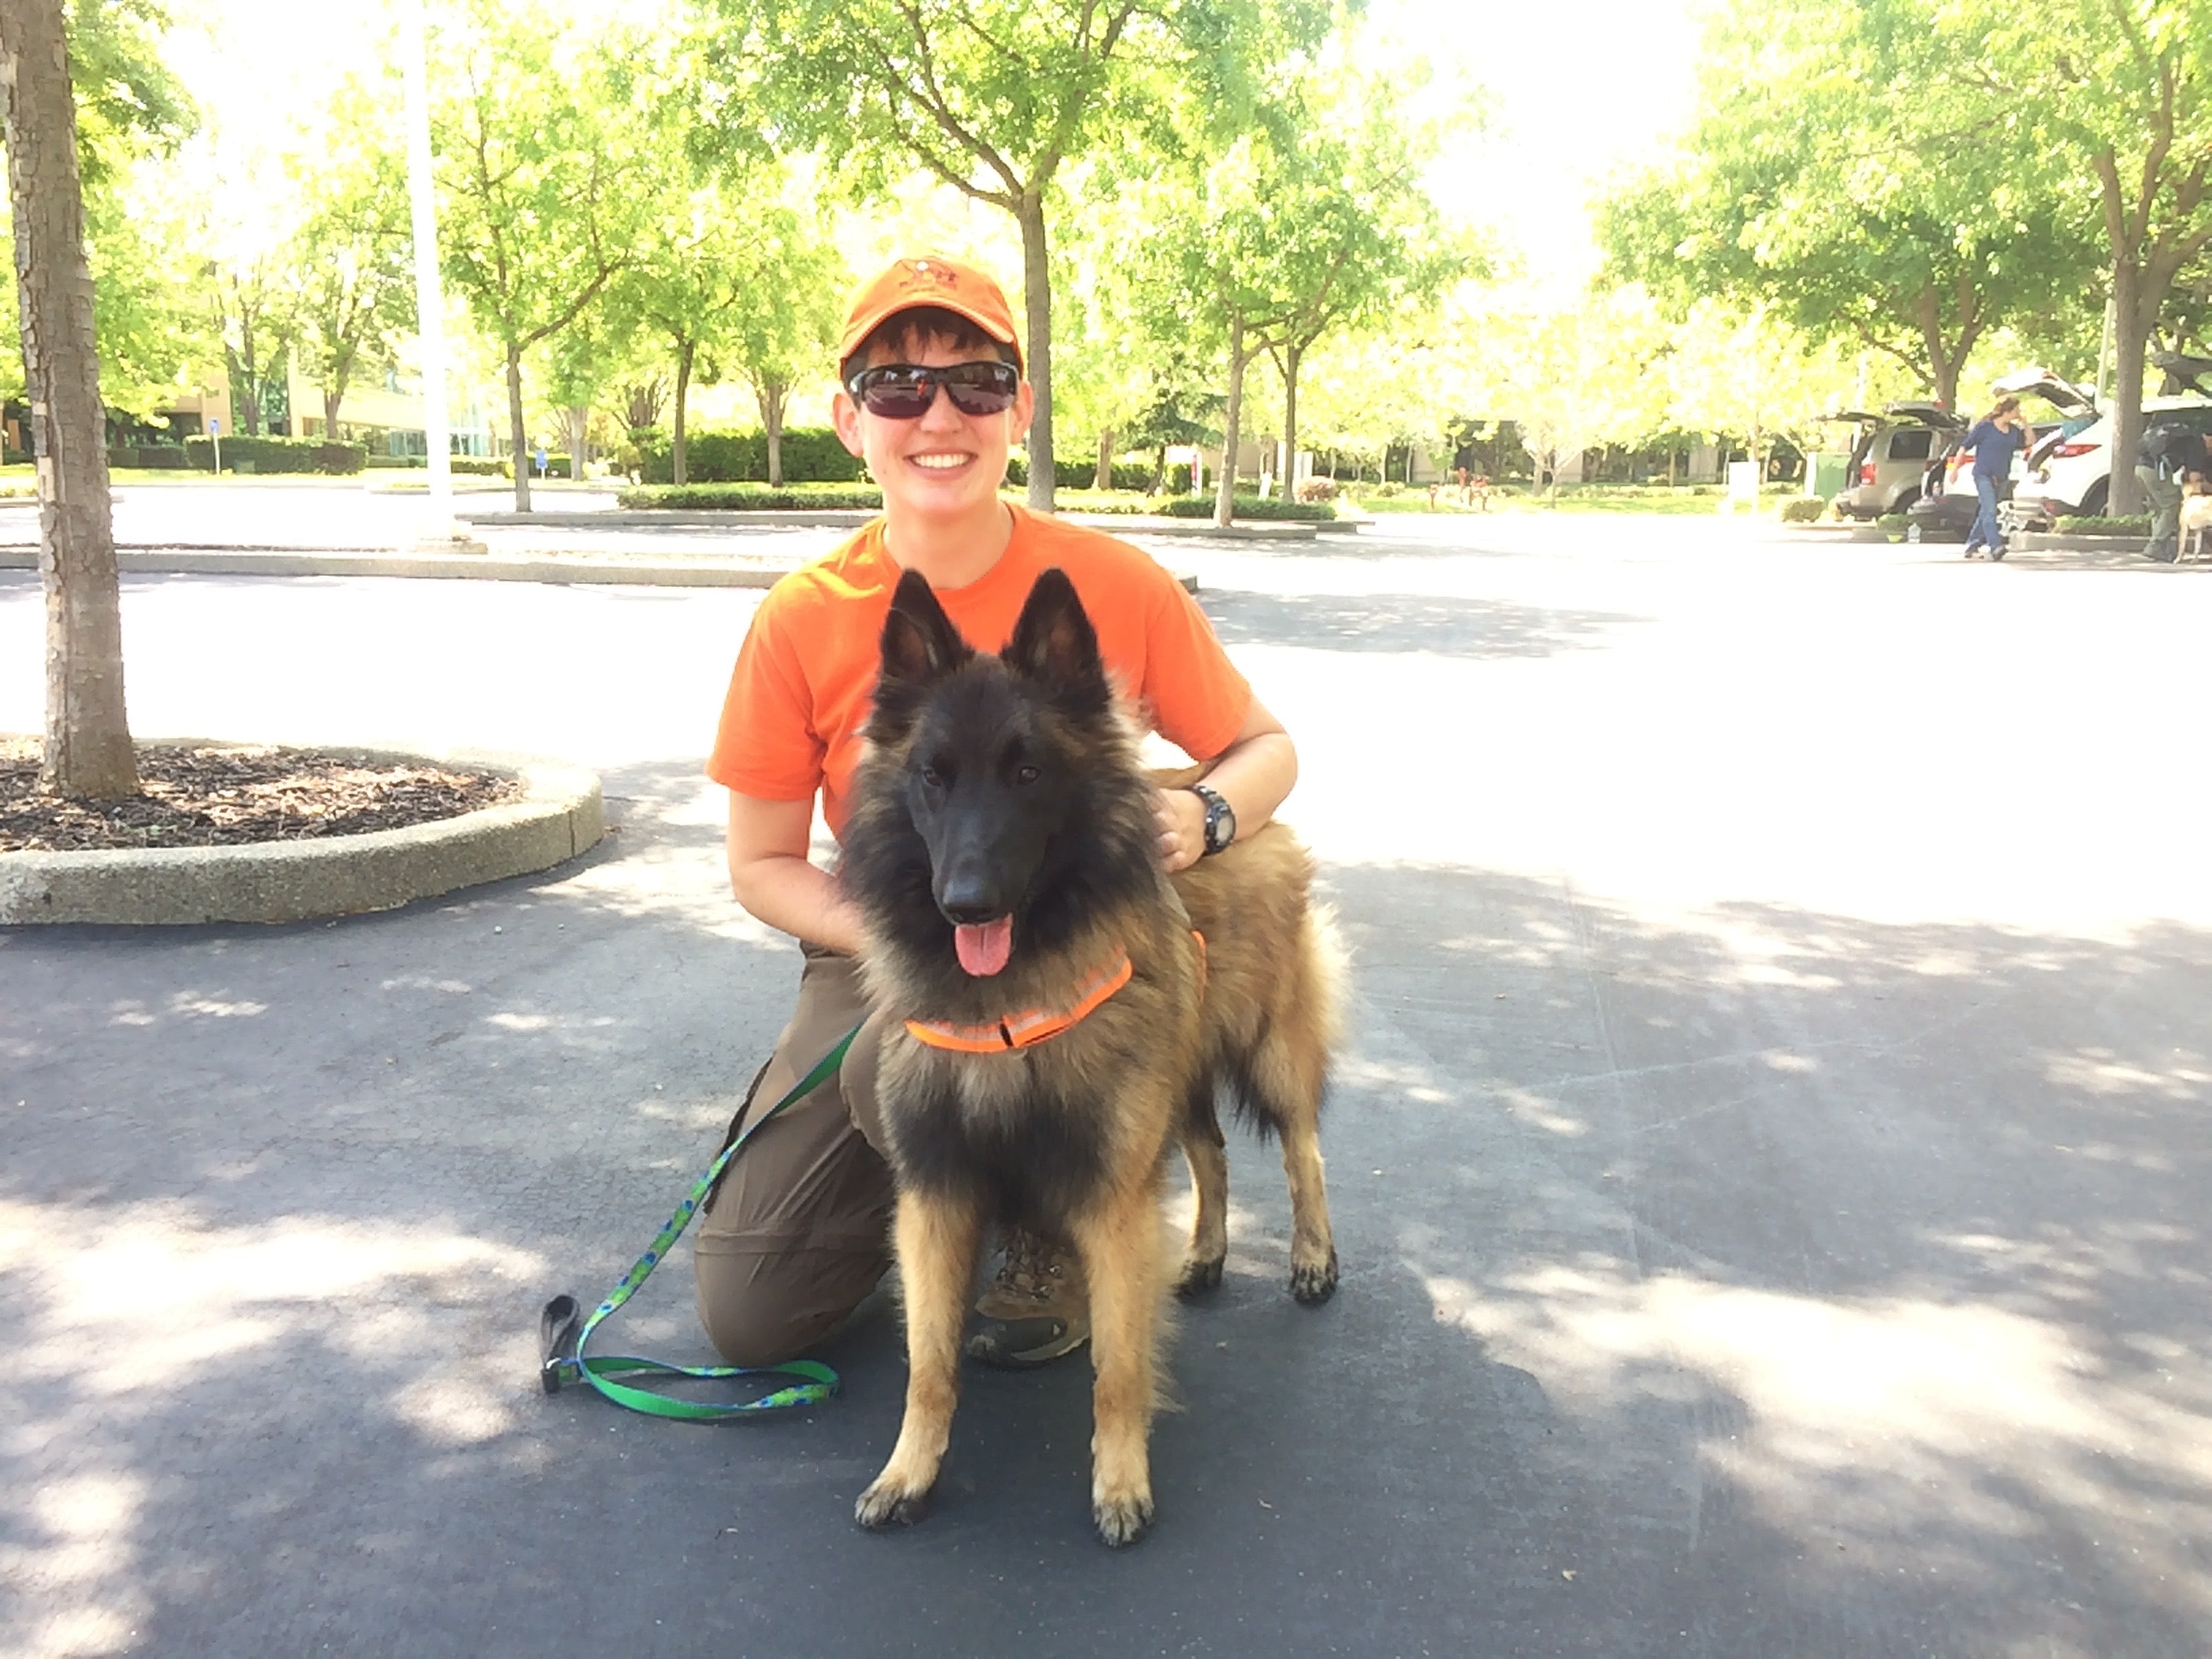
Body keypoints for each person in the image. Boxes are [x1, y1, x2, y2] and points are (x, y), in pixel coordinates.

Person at [692, 254, 1299, 1371]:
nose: (938, 416)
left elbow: (1266, 750)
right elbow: (762, 863)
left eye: (975, 383)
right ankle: (941, 1201)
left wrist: (1207, 815)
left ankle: (1054, 1234)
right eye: (897, 387)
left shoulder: (1110, 582)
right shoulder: (802, 617)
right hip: (888, 940)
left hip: (1081, 939)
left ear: (1017, 409)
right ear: (848, 418)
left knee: (969, 1065)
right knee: (751, 1311)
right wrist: (899, 938)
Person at [1961, 395, 2032, 560]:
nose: (2018, 413)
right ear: (2008, 411)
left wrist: (2026, 423)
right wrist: (1956, 470)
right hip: (1983, 475)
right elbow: (1965, 446)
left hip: (2001, 478)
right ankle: (1996, 546)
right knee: (1991, 511)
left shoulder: (2013, 431)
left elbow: (2030, 442)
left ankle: (1972, 545)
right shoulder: (1985, 428)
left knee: (1985, 512)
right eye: (2017, 410)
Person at [2135, 419, 2211, 563]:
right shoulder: (2198, 445)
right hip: (2157, 471)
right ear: (2209, 439)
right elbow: (2195, 479)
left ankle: (2162, 548)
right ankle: (2155, 547)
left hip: (2140, 467)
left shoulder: (2187, 438)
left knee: (2158, 509)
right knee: (2172, 505)